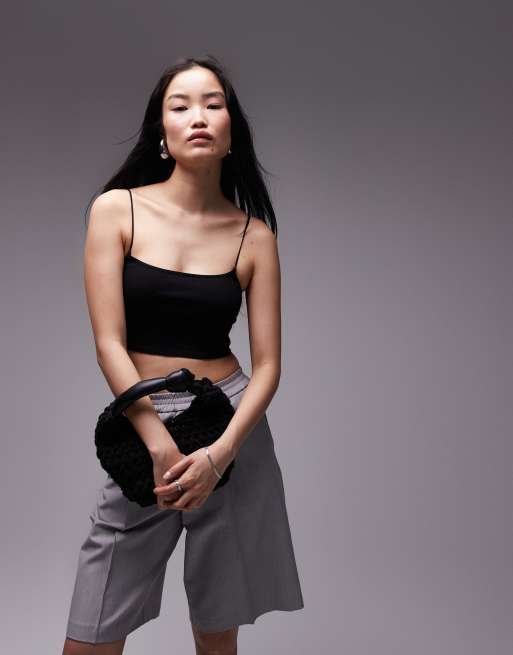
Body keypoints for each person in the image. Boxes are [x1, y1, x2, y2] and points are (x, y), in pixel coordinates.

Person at [62, 55, 304, 655]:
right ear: (162, 132)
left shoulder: (254, 236)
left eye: (213, 104)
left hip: (231, 427)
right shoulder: (117, 210)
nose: (198, 116)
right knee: (93, 630)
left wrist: (221, 455)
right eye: (181, 105)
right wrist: (157, 443)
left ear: (231, 132)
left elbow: (269, 366)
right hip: (144, 420)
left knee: (217, 634)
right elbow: (109, 343)